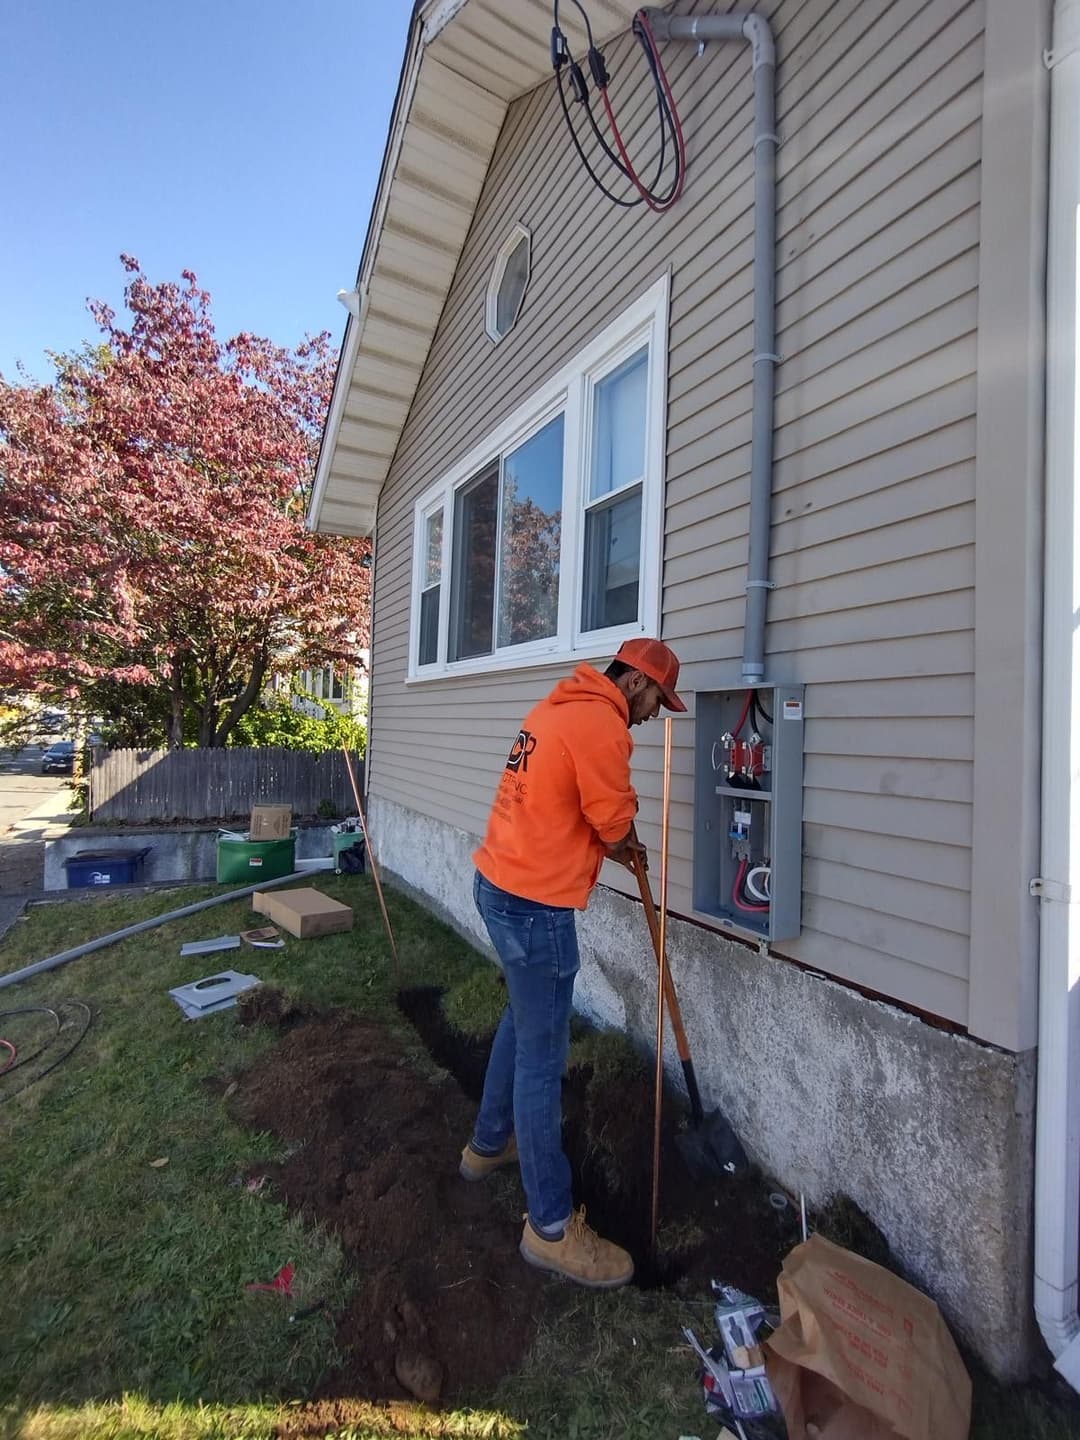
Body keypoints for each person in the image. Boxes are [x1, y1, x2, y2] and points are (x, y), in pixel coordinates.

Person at [460, 636, 686, 1288]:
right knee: (542, 1059)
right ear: (639, 683)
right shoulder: (600, 722)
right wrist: (628, 843)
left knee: (522, 1020)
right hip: (534, 908)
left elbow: (566, 803)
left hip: (499, 886)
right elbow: (611, 820)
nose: (652, 716)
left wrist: (617, 845)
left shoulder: (560, 707)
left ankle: (486, 1144)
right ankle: (552, 1228)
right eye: (656, 703)